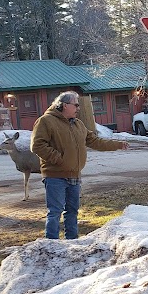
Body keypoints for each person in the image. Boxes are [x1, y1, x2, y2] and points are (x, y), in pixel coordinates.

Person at [31, 91, 129, 239]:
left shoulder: (78, 124)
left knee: (72, 211)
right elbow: (37, 145)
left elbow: (95, 141)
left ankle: (72, 241)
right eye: (76, 105)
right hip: (55, 176)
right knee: (55, 211)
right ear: (64, 105)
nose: (78, 108)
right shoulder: (46, 121)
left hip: (75, 175)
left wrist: (118, 144)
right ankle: (51, 245)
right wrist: (59, 159)